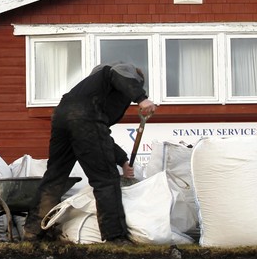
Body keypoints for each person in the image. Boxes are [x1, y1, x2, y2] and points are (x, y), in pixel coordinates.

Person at [22, 62, 157, 245]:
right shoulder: (116, 72)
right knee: (106, 179)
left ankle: (32, 232)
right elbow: (91, 123)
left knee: (55, 176)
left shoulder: (89, 90)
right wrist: (141, 98)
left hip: (62, 115)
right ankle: (115, 236)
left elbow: (99, 135)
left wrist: (123, 160)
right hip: (85, 117)